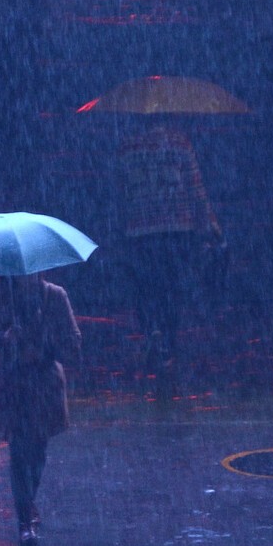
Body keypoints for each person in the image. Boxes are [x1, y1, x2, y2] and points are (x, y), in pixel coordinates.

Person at [0, 273, 81, 546]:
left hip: (44, 388)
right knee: (19, 452)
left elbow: (72, 344)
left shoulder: (55, 297)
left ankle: (28, 501)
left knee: (38, 452)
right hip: (11, 386)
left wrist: (45, 341)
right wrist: (4, 337)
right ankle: (24, 519)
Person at [117, 124, 222, 371]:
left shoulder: (127, 148)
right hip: (178, 230)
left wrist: (122, 229)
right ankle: (169, 343)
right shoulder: (180, 143)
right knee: (172, 288)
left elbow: (121, 194)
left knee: (146, 287)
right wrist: (210, 227)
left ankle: (152, 330)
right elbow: (196, 191)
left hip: (140, 231)